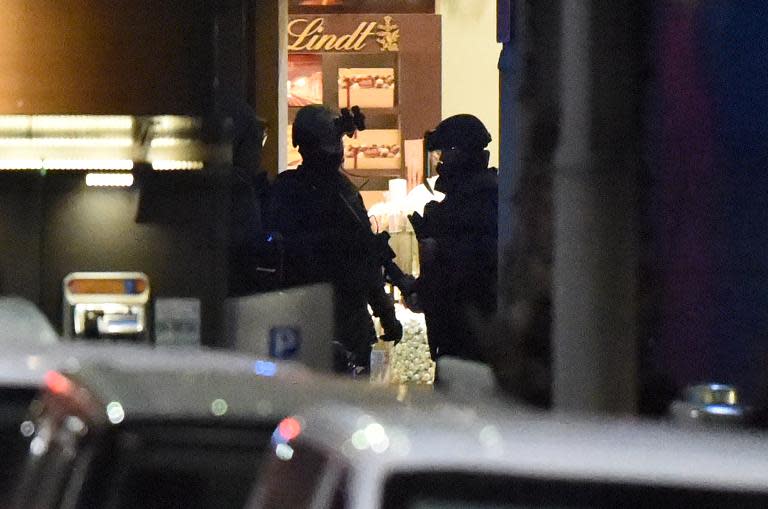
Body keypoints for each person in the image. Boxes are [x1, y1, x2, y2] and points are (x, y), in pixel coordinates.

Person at [265, 105, 402, 373]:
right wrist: (386, 314)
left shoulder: (286, 190)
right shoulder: (341, 194)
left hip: (303, 322)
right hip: (341, 322)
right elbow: (367, 262)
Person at [406, 114, 498, 361]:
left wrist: (437, 249)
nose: (442, 161)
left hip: (469, 339)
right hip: (457, 337)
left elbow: (471, 270)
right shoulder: (468, 200)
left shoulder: (481, 201)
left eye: (448, 152)